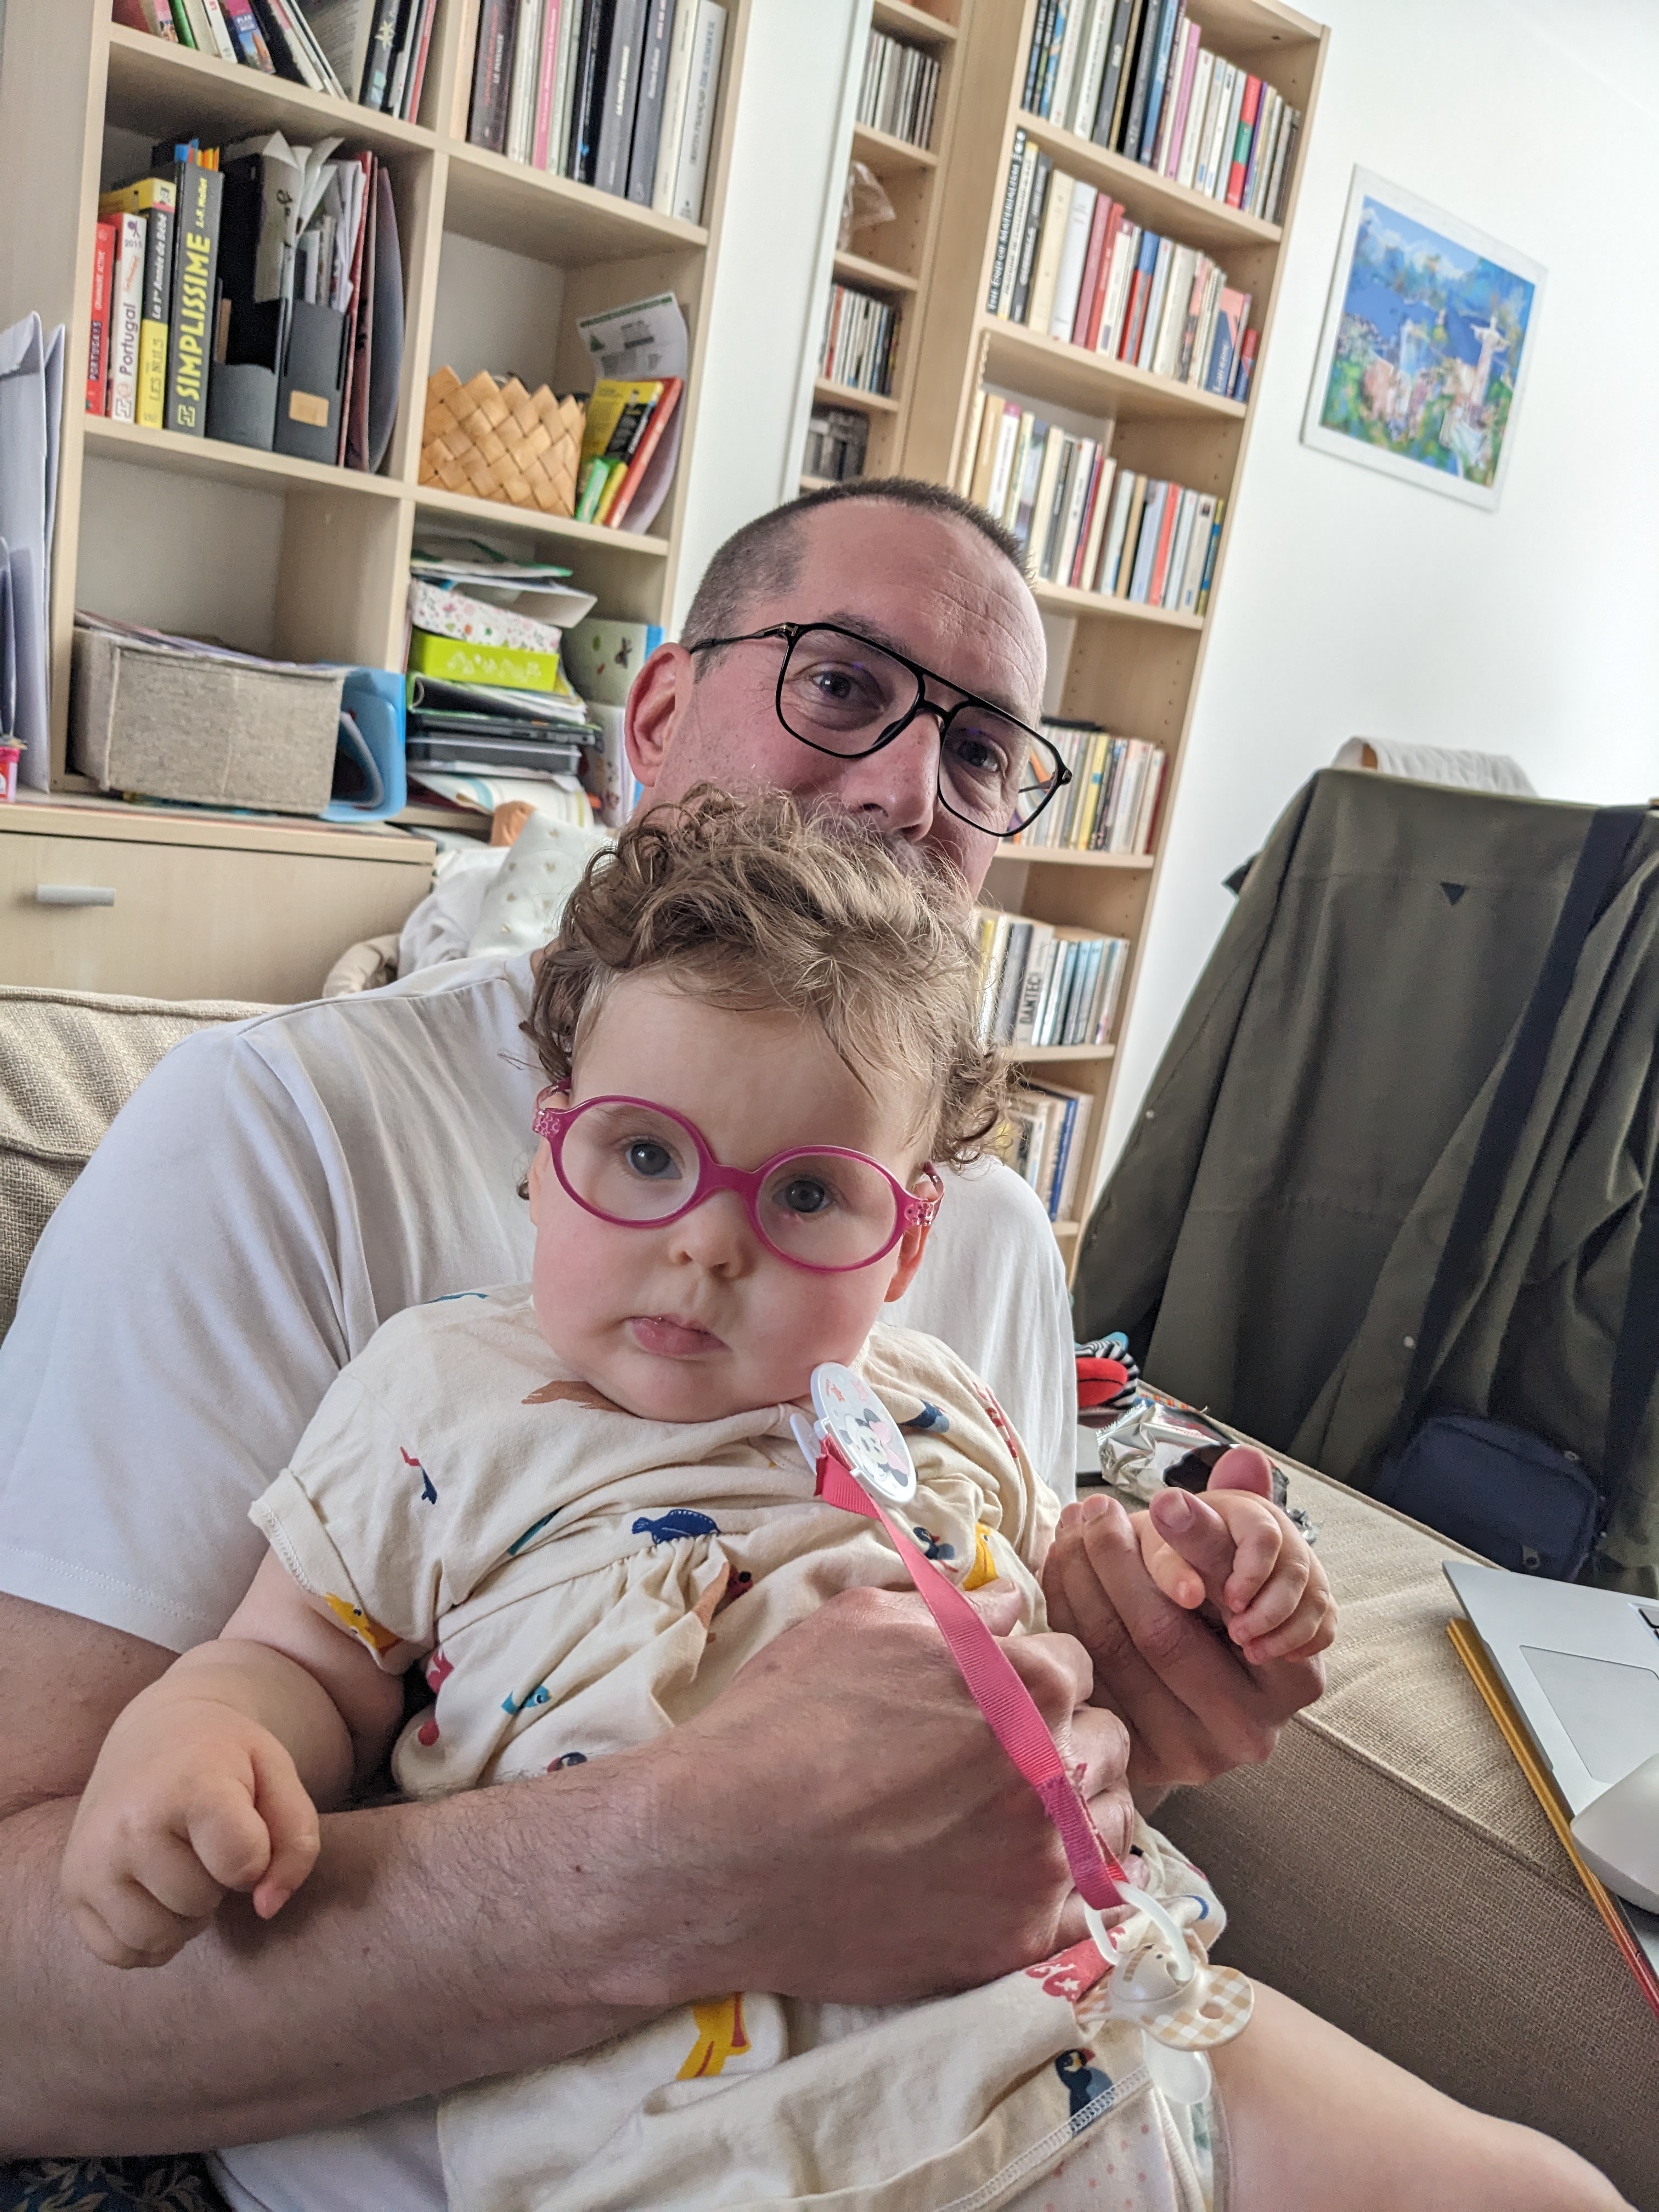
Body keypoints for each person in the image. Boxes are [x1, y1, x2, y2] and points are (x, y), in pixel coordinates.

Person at [0, 481, 1622, 2210]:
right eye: (841, 685)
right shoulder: (294, 1161)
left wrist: (1136, 1678)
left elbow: (987, 1685)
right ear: (653, 716)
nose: (910, 790)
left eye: (984, 751)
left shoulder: (977, 1238)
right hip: (653, 2130)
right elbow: (95, 1912)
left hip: (1039, 2044)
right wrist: (682, 1859)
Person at [63, 792, 1333, 2212]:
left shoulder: (948, 1409)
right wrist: (204, 1741)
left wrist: (1192, 1600)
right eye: (647, 1158)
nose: (709, 1243)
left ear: (907, 1244)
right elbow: (299, 1657)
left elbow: (1069, 1677)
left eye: (805, 1195)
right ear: (549, 1160)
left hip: (1095, 2037)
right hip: (700, 2145)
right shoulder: (437, 1398)